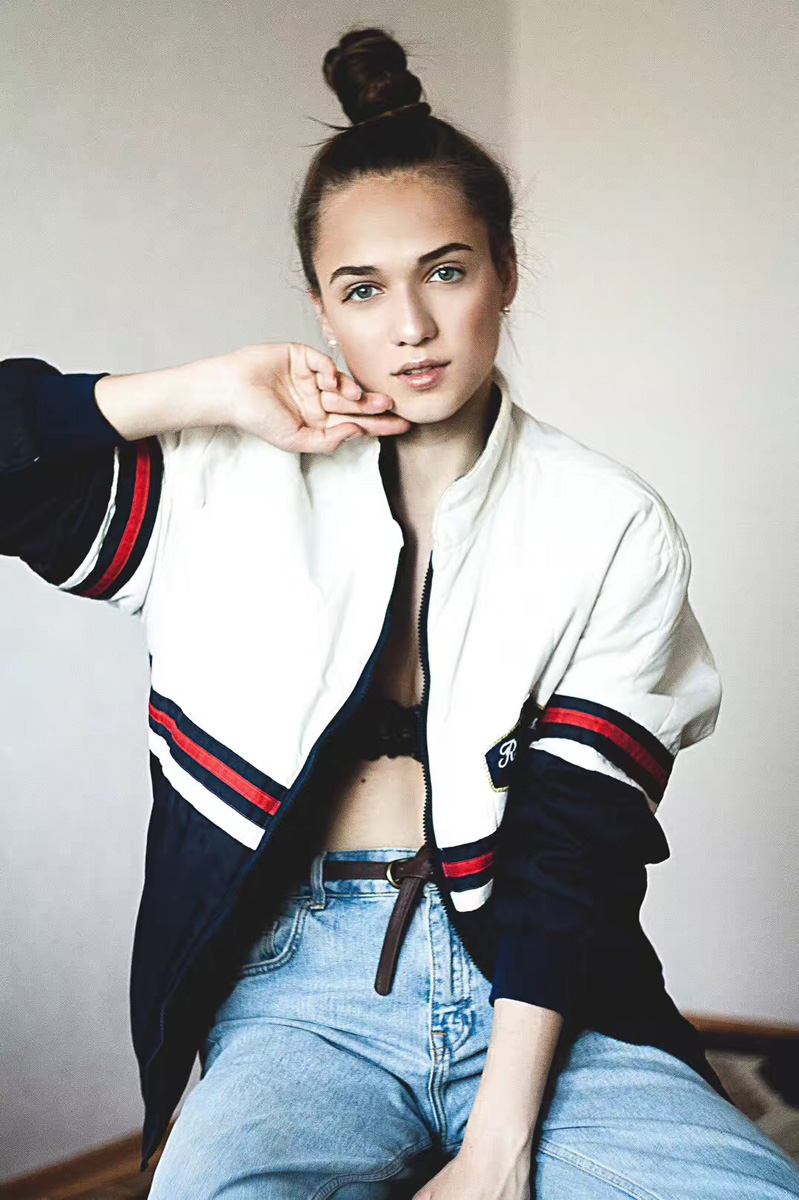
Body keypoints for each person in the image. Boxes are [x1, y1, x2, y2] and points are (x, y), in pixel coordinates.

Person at [2, 24, 798, 1200]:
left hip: (536, 988)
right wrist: (203, 389)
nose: (410, 327)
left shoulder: (608, 523)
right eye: (363, 289)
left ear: (506, 271)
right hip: (298, 988)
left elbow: (573, 850)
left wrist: (497, 1148)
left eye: (447, 270)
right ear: (321, 309)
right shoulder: (217, 481)